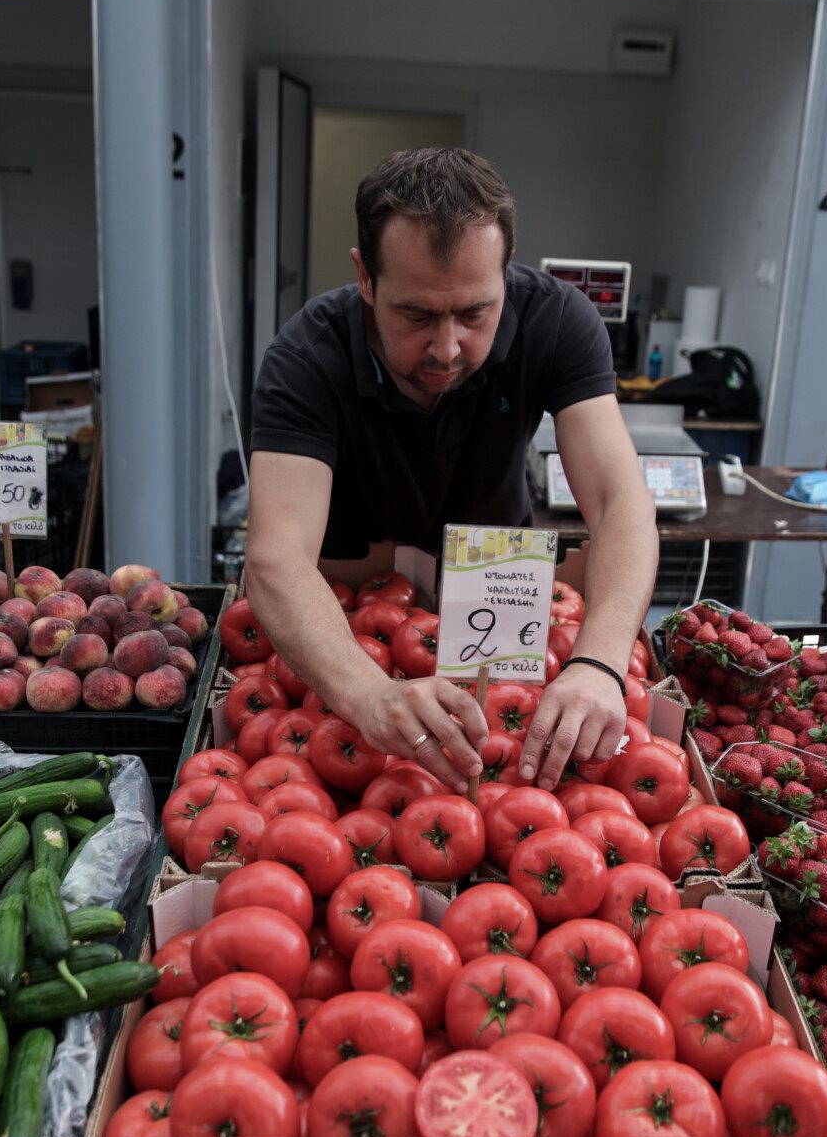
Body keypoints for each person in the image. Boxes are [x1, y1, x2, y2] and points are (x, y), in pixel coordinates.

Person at [244, 148, 658, 794]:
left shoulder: (557, 320)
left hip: (502, 599)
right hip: (340, 621)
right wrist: (367, 692)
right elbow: (276, 556)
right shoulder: (305, 357)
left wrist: (600, 664)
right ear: (365, 277)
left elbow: (619, 503)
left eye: (474, 313)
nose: (446, 348)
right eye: (416, 315)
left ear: (505, 274)